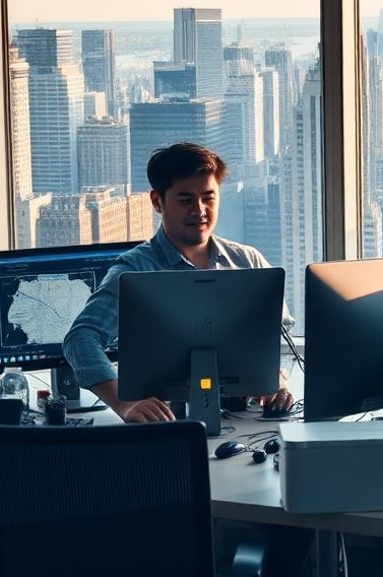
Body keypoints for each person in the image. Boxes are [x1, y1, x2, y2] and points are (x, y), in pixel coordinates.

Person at [62, 142, 311, 577]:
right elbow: (80, 338)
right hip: (174, 443)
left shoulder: (247, 262)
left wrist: (278, 379)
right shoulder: (134, 270)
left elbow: (280, 340)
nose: (199, 209)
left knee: (304, 517)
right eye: (185, 198)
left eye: (208, 196)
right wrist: (123, 400)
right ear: (157, 201)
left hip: (248, 434)